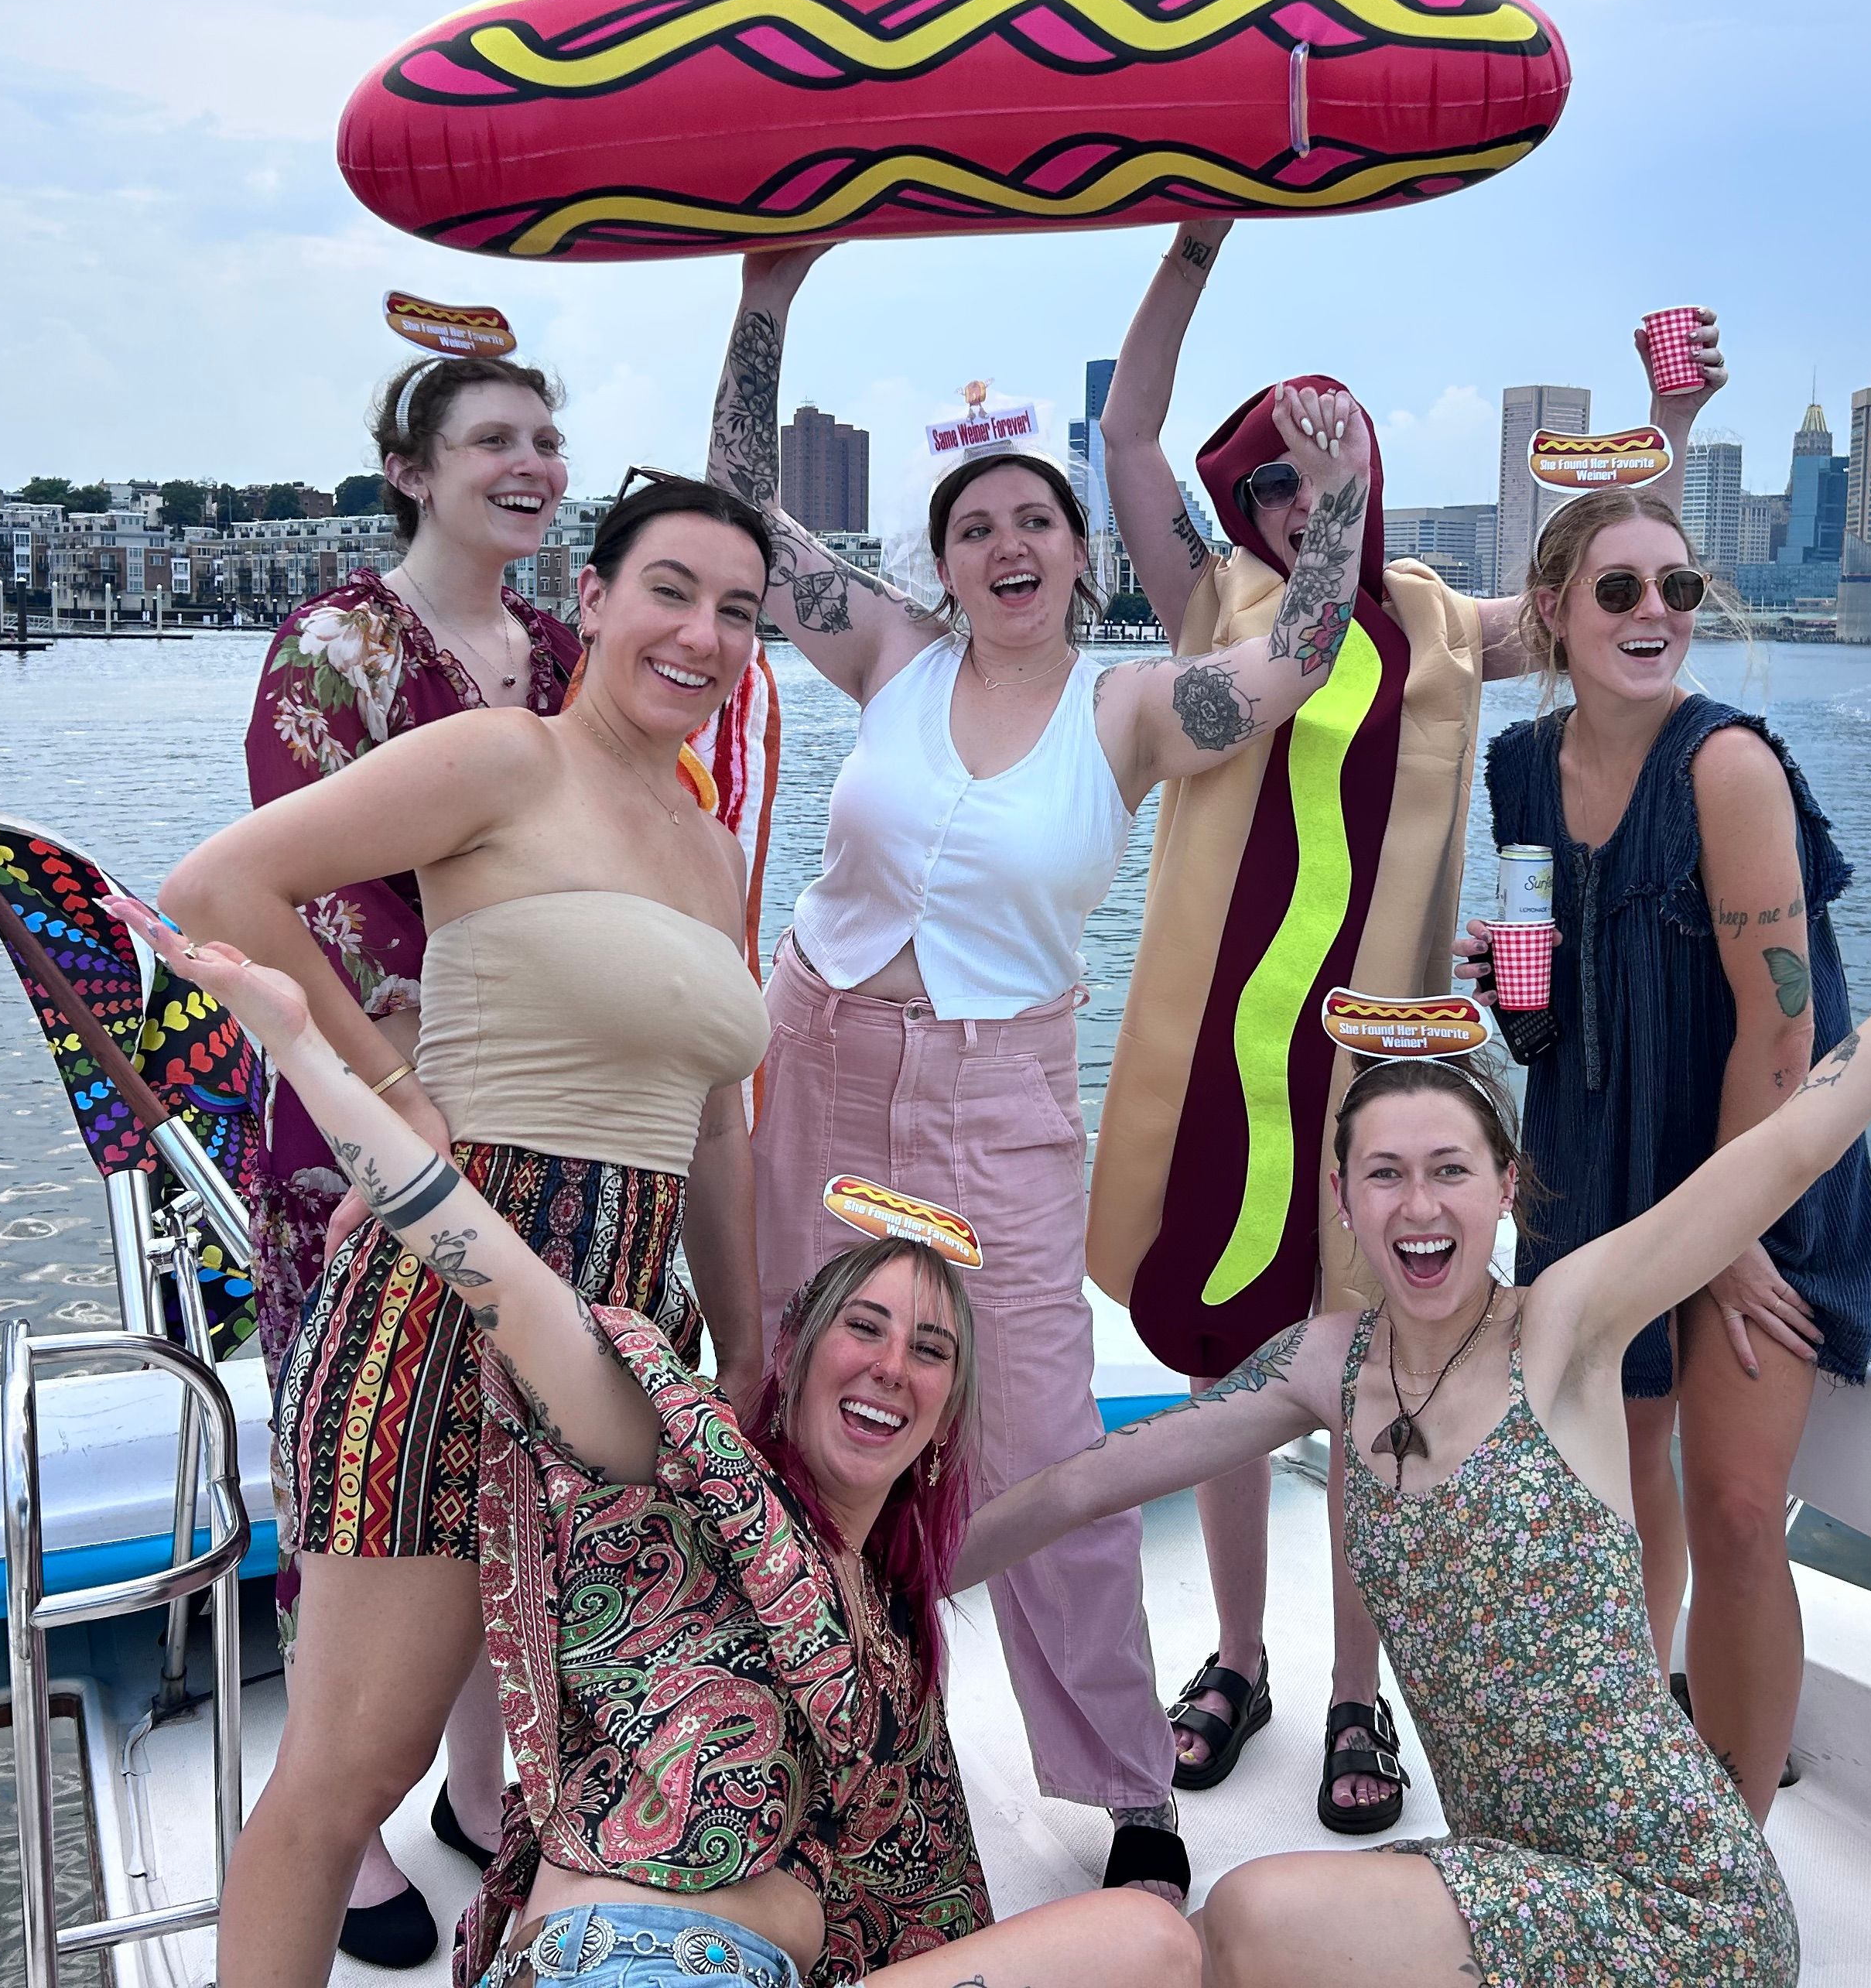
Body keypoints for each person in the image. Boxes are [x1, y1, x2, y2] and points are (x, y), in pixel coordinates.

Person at [963, 823, 1871, 1988]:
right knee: (1224, 1931)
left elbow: (1798, 1140)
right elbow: (1084, 1485)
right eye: (1383, 1174)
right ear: (1341, 1198)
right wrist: (871, 1565)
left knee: (1247, 1919)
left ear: (1506, 1187)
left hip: (1679, 1902)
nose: (1417, 1206)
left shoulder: (1565, 1328)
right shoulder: (1320, 1370)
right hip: (1515, 1883)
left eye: (1450, 1170)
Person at [105, 902, 1202, 1988]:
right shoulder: (684, 1476)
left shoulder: (890, 1603)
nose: (889, 1367)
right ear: (799, 1356)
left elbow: (1093, 1483)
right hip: (618, 1965)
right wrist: (299, 1044)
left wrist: (1319, 1378)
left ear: (945, 1415)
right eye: (861, 1329)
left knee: (1158, 1942)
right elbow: (499, 1272)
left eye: (929, 1351)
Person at [698, 237, 1380, 1898]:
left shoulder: (1133, 707)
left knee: (1045, 1444)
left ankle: (1125, 1787)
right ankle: (792, 1740)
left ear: (1082, 556)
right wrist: (765, 302)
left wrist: (1344, 496)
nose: (1009, 546)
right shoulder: (892, 658)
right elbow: (734, 511)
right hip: (821, 1054)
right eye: (977, 525)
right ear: (940, 559)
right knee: (800, 1407)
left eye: (1037, 523)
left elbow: (1302, 650)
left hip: (998, 1098)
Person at [1091, 231, 1726, 1827]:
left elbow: (1598, 587)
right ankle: (1235, 1657)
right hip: (1230, 1069)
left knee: (1377, 1367)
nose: (1316, 506)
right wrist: (1193, 244)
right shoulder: (1216, 604)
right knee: (1224, 1361)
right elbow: (1127, 437)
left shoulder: (1446, 621)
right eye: (1288, 484)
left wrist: (1675, 421)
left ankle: (1359, 1701)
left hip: (1387, 1067)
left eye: (1336, 466)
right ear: (1256, 513)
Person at [162, 475, 785, 1988]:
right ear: (594, 599)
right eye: (672, 590)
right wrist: (399, 1102)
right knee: (342, 1778)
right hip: (448, 1311)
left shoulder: (712, 851)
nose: (703, 634)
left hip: (636, 1346)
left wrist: (753, 1367)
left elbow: (713, 1131)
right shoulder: (507, 758)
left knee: (596, 1784)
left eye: (741, 613)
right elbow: (218, 887)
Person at [239, 345, 583, 1955]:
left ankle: (478, 1773)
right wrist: (410, 1086)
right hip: (370, 1125)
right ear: (416, 471)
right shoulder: (338, 651)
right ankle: (346, 1813)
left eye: (547, 441)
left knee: (504, 1447)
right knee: (361, 1467)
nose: (531, 463)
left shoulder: (575, 652)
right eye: (494, 441)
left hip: (543, 1117)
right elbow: (300, 906)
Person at [1463, 487, 1871, 1815]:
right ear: (1553, 613)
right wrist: (1520, 985)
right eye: (1621, 590)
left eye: (1679, 590)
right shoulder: (1522, 769)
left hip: (1756, 1168)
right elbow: (1548, 1014)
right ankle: (1636, 1803)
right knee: (1617, 1500)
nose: (1656, 616)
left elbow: (1783, 1019)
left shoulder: (1729, 767)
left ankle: (1735, 1851)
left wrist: (1733, 1227)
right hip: (1600, 1160)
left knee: (1740, 1516)